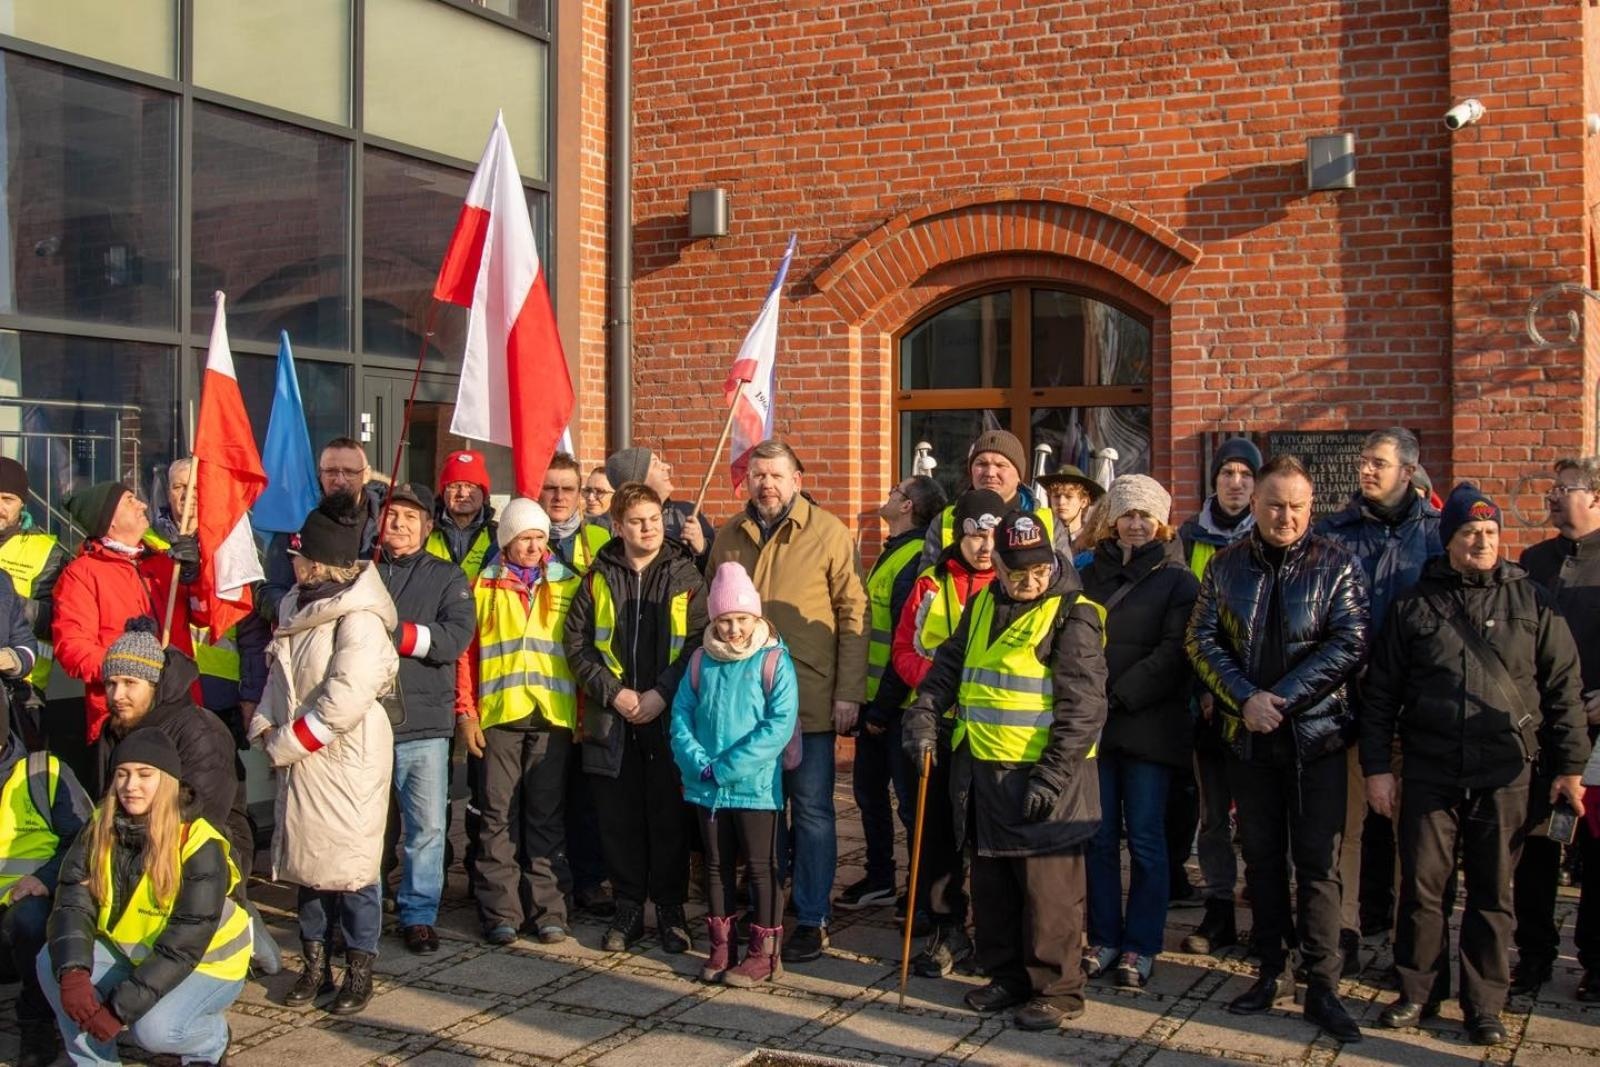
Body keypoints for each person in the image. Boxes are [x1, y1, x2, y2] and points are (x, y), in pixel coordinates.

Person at [1363, 484, 1589, 1046]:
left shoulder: (1533, 601)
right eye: (1470, 533)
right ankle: (1418, 990)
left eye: (1490, 533)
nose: (1482, 542)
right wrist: (1377, 768)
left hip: (1505, 770)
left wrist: (1570, 766)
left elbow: (1562, 688)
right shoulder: (1413, 603)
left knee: (1494, 892)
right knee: (1423, 887)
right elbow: (1381, 694)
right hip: (1430, 766)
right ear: (1450, 540)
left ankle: (1485, 1002)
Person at [1185, 454, 1369, 1043]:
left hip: (1315, 738)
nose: (1284, 516)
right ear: (1256, 506)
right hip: (1248, 738)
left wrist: (1281, 698)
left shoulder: (1338, 563)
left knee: (1317, 863)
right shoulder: (1225, 565)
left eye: (1295, 506)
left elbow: (1351, 641)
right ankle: (1269, 967)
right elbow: (1201, 637)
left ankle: (1321, 983)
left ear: (1311, 507)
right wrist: (1244, 698)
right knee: (1261, 858)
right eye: (1274, 505)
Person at [903, 508, 1109, 1030]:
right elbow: (946, 671)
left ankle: (1057, 990)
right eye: (1017, 572)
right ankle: (1007, 975)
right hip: (984, 771)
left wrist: (1052, 774)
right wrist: (924, 718)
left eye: (1039, 571)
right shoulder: (981, 605)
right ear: (996, 563)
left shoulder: (1073, 614)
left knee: (1049, 895)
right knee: (995, 884)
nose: (1030, 581)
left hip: (1046, 779)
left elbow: (1083, 708)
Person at [706, 439, 868, 963]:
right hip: (744, 705)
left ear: (797, 479)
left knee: (815, 810)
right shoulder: (730, 534)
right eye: (757, 476)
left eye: (776, 475)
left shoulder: (829, 533)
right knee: (763, 810)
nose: (766, 485)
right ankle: (766, 912)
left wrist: (849, 690)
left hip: (812, 697)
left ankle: (813, 917)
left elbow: (853, 615)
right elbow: (706, 614)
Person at [249, 493, 398, 1017]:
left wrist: (287, 744)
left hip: (347, 760)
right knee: (309, 869)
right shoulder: (296, 604)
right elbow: (279, 676)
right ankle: (315, 966)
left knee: (352, 871)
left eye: (297, 555)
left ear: (316, 560)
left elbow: (344, 700)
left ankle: (360, 969)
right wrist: (266, 724)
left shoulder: (357, 619)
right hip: (304, 759)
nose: (290, 563)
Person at [38, 729, 251, 1066]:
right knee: (51, 963)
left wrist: (116, 1009)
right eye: (121, 774)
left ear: (167, 781)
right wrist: (75, 974)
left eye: (144, 774)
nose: (130, 785)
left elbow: (185, 943)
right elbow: (72, 902)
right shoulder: (99, 827)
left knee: (154, 1031)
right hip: (136, 952)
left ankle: (212, 1039)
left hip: (209, 963)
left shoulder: (198, 842)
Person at [1315, 428, 1442, 973]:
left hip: (1414, 706)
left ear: (1408, 472)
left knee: (1412, 833)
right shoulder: (1334, 533)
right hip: (1349, 700)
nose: (1366, 471)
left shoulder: (1438, 537)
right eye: (1364, 462)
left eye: (1379, 464)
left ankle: (1405, 944)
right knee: (1346, 824)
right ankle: (1340, 931)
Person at [564, 482, 707, 953]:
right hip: (614, 717)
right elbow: (578, 645)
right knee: (618, 817)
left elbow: (698, 642)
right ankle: (627, 908)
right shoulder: (597, 576)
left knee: (668, 817)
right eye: (636, 521)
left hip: (669, 716)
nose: (647, 528)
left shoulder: (685, 573)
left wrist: (662, 694)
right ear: (617, 525)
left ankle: (670, 910)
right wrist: (616, 693)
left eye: (653, 519)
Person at [1079, 475, 1199, 990]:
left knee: (1148, 840)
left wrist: (1118, 695)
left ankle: (1141, 944)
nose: (1134, 523)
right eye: (1126, 513)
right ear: (1111, 518)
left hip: (1149, 726)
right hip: (1096, 727)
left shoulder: (1178, 580)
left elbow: (1175, 651)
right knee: (1099, 838)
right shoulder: (1089, 575)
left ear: (1161, 522)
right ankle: (1103, 937)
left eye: (1144, 515)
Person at [454, 498, 579, 946]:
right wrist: (466, 712)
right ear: (506, 540)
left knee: (547, 817)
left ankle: (549, 910)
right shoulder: (481, 586)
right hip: (500, 717)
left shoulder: (568, 583)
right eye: (524, 537)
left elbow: (581, 652)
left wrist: (581, 713)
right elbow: (465, 657)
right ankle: (500, 911)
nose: (532, 545)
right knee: (497, 816)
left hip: (552, 717)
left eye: (540, 536)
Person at [891, 488, 1005, 978]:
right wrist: (936, 682)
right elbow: (903, 650)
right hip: (936, 723)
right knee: (934, 833)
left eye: (992, 534)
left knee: (983, 838)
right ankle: (946, 928)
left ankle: (995, 933)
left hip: (987, 732)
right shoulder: (930, 585)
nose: (983, 544)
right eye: (974, 534)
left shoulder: (1013, 587)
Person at [670, 562, 799, 985]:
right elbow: (681, 717)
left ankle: (764, 953)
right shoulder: (699, 661)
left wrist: (725, 767)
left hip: (755, 786)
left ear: (756, 617)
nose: (733, 630)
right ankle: (721, 946)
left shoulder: (774, 660)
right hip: (706, 787)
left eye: (741, 619)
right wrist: (697, 762)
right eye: (724, 621)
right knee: (715, 866)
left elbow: (778, 725)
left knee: (761, 868)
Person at [1512, 456, 1600, 999]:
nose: (1552, 497)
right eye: (1551, 488)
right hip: (1542, 729)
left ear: (1595, 498)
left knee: (1595, 851)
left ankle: (1594, 959)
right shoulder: (1534, 560)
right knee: (1536, 850)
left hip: (1597, 731)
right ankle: (1534, 954)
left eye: (1564, 488)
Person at [375, 484, 475, 955]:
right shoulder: (364, 573)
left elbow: (454, 639)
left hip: (424, 724)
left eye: (410, 518)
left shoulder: (446, 576)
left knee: (428, 827)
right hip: (367, 723)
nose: (399, 524)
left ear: (427, 526)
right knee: (371, 827)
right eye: (392, 516)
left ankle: (418, 913)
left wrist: (396, 635)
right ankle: (367, 906)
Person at [53, 482, 203, 785]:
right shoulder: (81, 574)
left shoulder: (163, 563)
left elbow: (204, 615)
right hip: (123, 716)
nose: (143, 505)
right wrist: (132, 671)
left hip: (180, 706)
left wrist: (194, 576)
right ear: (109, 520)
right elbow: (73, 650)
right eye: (130, 500)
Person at [843, 474, 946, 913]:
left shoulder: (913, 559)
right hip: (876, 700)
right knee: (867, 794)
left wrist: (882, 709)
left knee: (908, 805)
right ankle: (880, 877)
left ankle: (917, 889)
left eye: (896, 492)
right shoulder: (893, 552)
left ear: (908, 506)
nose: (887, 496)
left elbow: (906, 639)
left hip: (897, 706)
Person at [1175, 436, 1260, 954]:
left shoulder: (1271, 536)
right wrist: (1203, 689)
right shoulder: (1187, 538)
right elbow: (1187, 623)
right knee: (1211, 817)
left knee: (1259, 814)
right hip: (1204, 698)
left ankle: (1268, 910)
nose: (1235, 483)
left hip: (1256, 699)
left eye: (1245, 476)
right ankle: (1219, 911)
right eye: (1227, 474)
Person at [152, 457, 271, 750]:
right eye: (179, 487)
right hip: (163, 690)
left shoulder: (232, 547)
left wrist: (251, 694)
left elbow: (253, 633)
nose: (186, 496)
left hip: (220, 693)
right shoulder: (149, 544)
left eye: (195, 488)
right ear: (167, 492)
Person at [540, 452, 614, 915]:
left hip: (590, 687)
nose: (561, 496)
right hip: (540, 686)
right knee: (545, 796)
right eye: (551, 488)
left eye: (569, 488)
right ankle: (548, 884)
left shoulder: (604, 539)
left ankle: (589, 880)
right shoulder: (519, 537)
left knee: (589, 796)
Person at [0, 685, 90, 1067]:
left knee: (33, 919)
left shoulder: (44, 771)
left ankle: (36, 1023)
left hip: (26, 905)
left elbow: (86, 838)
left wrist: (47, 877)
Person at [261, 437, 388, 620]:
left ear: (366, 474)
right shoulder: (298, 521)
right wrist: (301, 611)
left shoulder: (387, 522)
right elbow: (271, 589)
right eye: (331, 472)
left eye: (350, 472)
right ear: (320, 474)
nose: (340, 480)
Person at [0, 457, 69, 750]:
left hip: (25, 691)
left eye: (7, 499)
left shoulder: (47, 552)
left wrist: (11, 603)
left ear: (22, 505)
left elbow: (59, 621)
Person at [917, 430, 1062, 568]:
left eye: (1001, 465)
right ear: (971, 471)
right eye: (982, 464)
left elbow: (1062, 582)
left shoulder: (1047, 521)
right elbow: (928, 581)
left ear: (1019, 475)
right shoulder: (946, 520)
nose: (990, 473)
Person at [607, 447, 715, 570]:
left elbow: (714, 569)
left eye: (654, 518)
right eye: (655, 464)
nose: (666, 467)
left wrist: (703, 548)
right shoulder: (613, 526)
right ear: (638, 482)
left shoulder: (687, 513)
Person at [427, 449, 500, 582]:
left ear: (483, 493)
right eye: (454, 486)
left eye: (470, 486)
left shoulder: (498, 535)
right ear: (443, 492)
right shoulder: (424, 530)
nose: (463, 493)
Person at [1037, 464, 1103, 550]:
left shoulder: (1094, 541)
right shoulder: (1039, 534)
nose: (1061, 502)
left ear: (1083, 502)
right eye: (1056, 496)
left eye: (1069, 497)